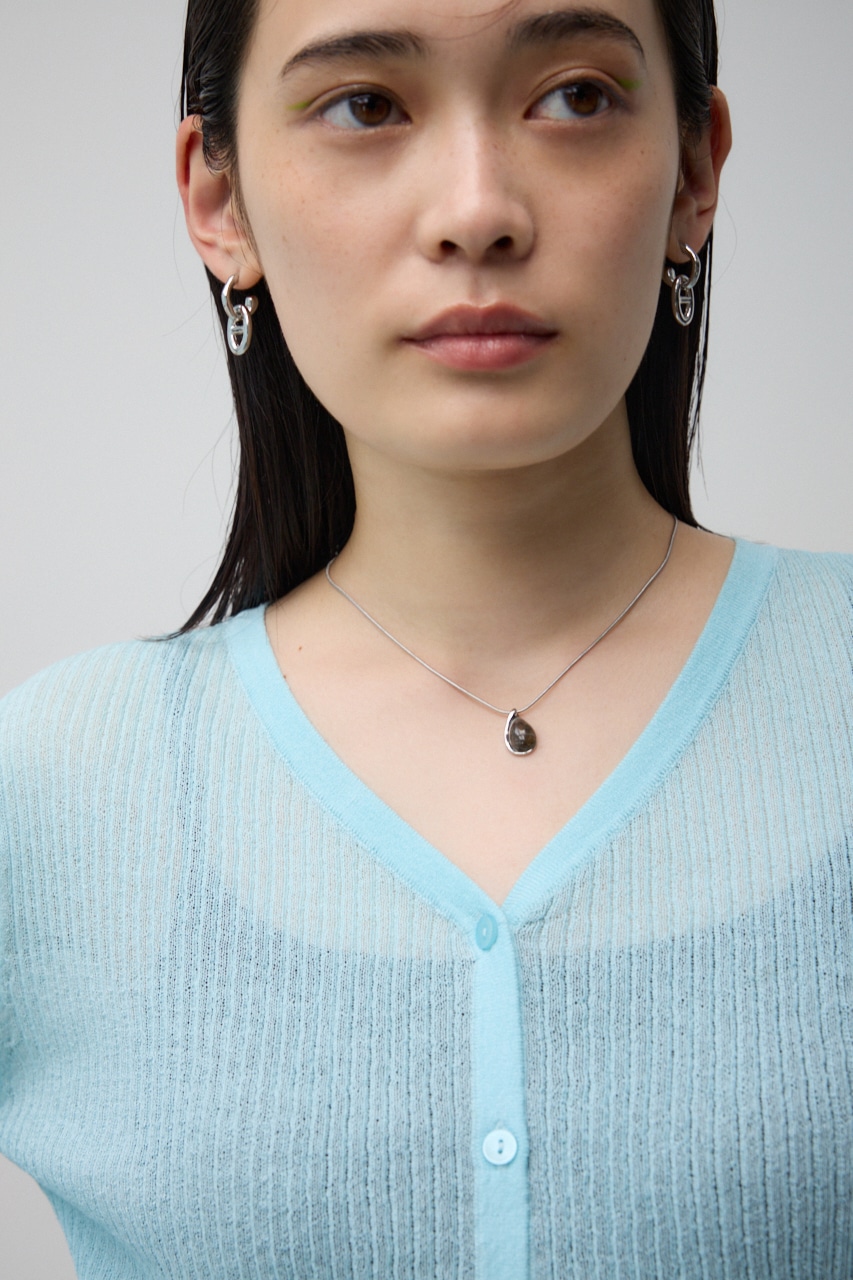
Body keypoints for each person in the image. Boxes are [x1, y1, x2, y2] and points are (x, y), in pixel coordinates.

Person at [1, 0, 850, 1276]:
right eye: (365, 106)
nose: (477, 212)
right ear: (219, 201)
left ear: (694, 168)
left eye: (574, 96)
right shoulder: (52, 790)